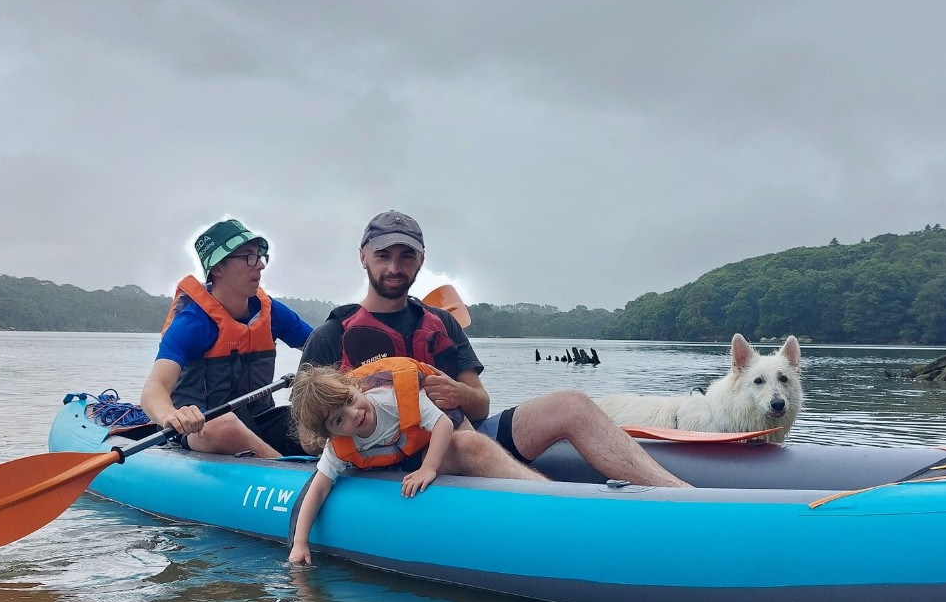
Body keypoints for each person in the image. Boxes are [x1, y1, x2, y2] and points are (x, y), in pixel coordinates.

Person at [299, 211, 688, 488]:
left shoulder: (442, 323)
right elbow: (308, 437)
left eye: (407, 256)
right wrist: (363, 417)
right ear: (363, 256)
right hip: (395, 456)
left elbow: (481, 405)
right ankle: (567, 516)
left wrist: (458, 393)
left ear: (421, 260)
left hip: (467, 429)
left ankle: (686, 501)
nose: (395, 267)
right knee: (467, 443)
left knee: (571, 401)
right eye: (383, 255)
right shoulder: (331, 336)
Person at [287, 359, 546, 565]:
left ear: (356, 386)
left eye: (349, 400)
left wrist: (429, 468)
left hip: (432, 439)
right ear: (329, 433)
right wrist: (300, 542)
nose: (354, 414)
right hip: (398, 460)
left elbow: (443, 423)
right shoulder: (338, 446)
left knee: (470, 441)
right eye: (338, 420)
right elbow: (319, 487)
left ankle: (545, 500)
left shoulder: (392, 400)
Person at [140, 218, 312, 459]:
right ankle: (287, 474)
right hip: (200, 429)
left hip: (259, 419)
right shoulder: (193, 323)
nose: (260, 265)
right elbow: (154, 388)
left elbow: (323, 347)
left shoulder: (272, 313)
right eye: (249, 257)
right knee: (225, 424)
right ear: (218, 268)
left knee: (316, 416)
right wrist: (170, 415)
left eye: (261, 256)